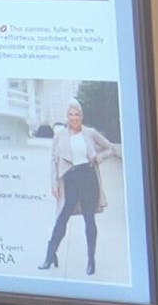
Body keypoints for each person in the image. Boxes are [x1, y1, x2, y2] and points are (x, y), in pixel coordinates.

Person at [42, 99, 120, 275]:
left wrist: (99, 158)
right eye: (71, 114)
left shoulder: (90, 133)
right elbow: (53, 161)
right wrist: (54, 184)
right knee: (62, 219)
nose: (74, 117)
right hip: (70, 179)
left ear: (81, 116)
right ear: (67, 117)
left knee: (89, 220)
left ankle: (91, 261)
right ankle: (50, 255)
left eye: (77, 114)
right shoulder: (60, 135)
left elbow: (112, 148)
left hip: (88, 177)